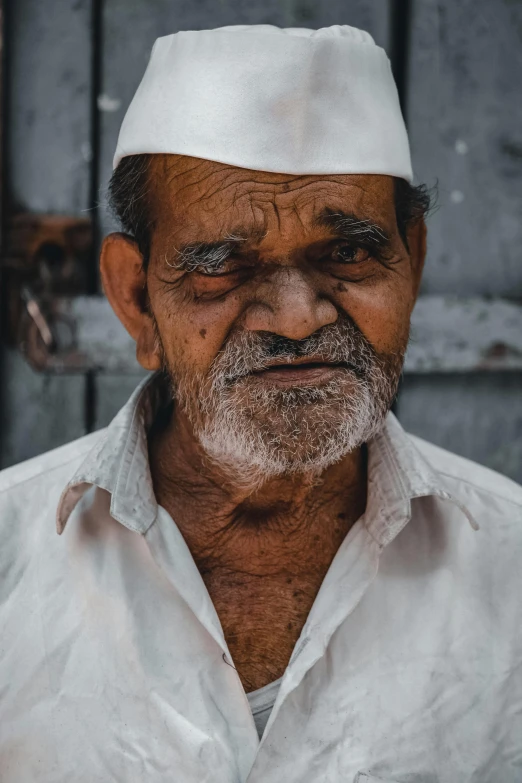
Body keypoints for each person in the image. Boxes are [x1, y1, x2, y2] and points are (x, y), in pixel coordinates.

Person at [0, 23, 521, 783]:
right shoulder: (11, 556)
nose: (297, 316)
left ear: (412, 266)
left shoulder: (511, 568)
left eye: (346, 253)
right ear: (136, 298)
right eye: (223, 265)